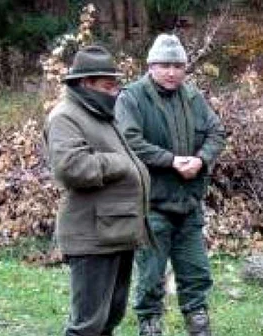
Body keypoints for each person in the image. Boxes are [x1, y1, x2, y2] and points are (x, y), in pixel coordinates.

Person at [115, 34, 227, 336]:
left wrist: (201, 160)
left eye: (178, 66)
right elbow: (129, 141)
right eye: (165, 65)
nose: (172, 72)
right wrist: (171, 160)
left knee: (196, 272)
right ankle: (149, 324)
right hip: (152, 205)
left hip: (189, 203)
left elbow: (218, 132)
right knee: (151, 275)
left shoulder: (193, 97)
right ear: (151, 65)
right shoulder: (132, 97)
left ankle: (199, 323)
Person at [44, 45, 152, 336]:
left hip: (115, 231)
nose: (116, 91)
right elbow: (71, 168)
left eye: (116, 84)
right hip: (91, 236)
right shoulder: (65, 116)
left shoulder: (100, 112)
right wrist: (120, 163)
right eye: (108, 85)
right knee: (87, 326)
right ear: (86, 83)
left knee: (109, 319)